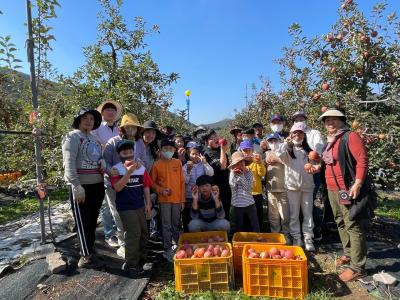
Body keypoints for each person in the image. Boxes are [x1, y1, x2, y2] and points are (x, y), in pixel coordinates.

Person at [319, 108, 369, 282]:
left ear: (342, 120)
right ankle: (349, 254)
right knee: (340, 221)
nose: (330, 123)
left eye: (333, 119)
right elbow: (328, 164)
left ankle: (357, 267)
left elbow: (362, 160)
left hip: (346, 188)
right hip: (333, 189)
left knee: (352, 224)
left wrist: (358, 182)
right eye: (327, 121)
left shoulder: (350, 136)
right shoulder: (330, 141)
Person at [62, 108, 105, 268]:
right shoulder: (72, 137)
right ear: (79, 120)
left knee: (92, 221)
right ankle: (85, 257)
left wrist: (103, 163)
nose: (89, 121)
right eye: (85, 118)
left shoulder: (94, 138)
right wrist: (75, 185)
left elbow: (98, 158)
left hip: (97, 185)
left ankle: (90, 250)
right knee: (82, 221)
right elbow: (69, 162)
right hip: (82, 186)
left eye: (92, 119)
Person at [103, 113, 145, 258]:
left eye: (134, 127)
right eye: (128, 127)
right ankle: (123, 244)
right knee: (118, 214)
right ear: (122, 128)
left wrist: (140, 164)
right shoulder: (113, 142)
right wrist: (110, 170)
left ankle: (134, 244)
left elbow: (143, 161)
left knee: (134, 215)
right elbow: (104, 161)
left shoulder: (139, 143)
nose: (131, 130)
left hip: (134, 185)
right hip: (115, 184)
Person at [110, 140, 152, 277]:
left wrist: (148, 203)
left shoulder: (141, 168)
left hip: (140, 205)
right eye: (124, 152)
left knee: (144, 232)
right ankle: (131, 264)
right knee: (133, 233)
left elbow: (146, 186)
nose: (128, 155)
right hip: (126, 207)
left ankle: (142, 258)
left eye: (130, 152)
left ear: (134, 152)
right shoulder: (116, 169)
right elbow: (117, 187)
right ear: (119, 154)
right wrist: (128, 173)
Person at [275, 123, 318, 252]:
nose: (297, 135)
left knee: (307, 213)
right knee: (294, 214)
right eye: (295, 133)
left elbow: (316, 164)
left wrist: (315, 168)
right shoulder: (287, 150)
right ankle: (296, 238)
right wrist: (286, 143)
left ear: (304, 135)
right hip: (292, 186)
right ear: (291, 135)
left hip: (307, 186)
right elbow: (278, 154)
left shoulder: (309, 150)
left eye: (300, 133)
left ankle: (308, 238)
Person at [92, 100, 123, 248]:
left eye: (113, 110)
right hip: (102, 169)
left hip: (119, 171)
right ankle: (109, 234)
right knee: (106, 204)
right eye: (107, 110)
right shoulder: (97, 128)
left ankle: (119, 233)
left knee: (117, 204)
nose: (110, 112)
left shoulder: (119, 129)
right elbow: (94, 146)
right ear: (102, 113)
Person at [292, 111, 325, 241]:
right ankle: (300, 232)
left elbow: (318, 150)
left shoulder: (314, 133)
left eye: (301, 118)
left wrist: (316, 163)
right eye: (296, 119)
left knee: (309, 202)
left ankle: (315, 231)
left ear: (306, 119)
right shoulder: (293, 134)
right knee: (298, 204)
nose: (299, 120)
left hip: (313, 171)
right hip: (297, 173)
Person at [151, 139, 185, 263]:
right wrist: (160, 191)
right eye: (166, 149)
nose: (168, 151)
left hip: (177, 199)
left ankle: (177, 244)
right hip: (164, 200)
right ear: (161, 151)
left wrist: (182, 200)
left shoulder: (178, 162)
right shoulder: (156, 164)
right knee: (165, 224)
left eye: (171, 149)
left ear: (174, 150)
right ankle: (167, 248)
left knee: (176, 223)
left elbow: (182, 182)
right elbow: (152, 183)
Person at [265, 132, 291, 243]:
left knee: (285, 214)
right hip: (271, 189)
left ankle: (286, 235)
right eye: (270, 141)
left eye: (275, 141)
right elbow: (263, 163)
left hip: (283, 188)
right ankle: (275, 235)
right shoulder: (266, 153)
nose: (273, 143)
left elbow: (289, 163)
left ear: (279, 141)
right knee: (273, 215)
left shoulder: (284, 152)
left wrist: (277, 158)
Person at [182, 142, 214, 232]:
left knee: (201, 216)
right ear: (189, 154)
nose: (195, 156)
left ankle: (202, 235)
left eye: (197, 154)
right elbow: (184, 181)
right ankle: (188, 236)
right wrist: (188, 171)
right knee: (189, 217)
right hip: (189, 196)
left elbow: (211, 173)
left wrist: (205, 163)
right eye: (193, 154)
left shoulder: (203, 165)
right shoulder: (185, 166)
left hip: (201, 195)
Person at [201, 129, 232, 220]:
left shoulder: (220, 150)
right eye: (212, 138)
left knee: (226, 210)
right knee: (217, 213)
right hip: (215, 188)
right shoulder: (208, 153)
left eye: (216, 136)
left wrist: (222, 149)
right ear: (206, 142)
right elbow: (222, 167)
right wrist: (223, 149)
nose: (215, 139)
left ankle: (225, 232)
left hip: (225, 186)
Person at [229, 151, 260, 232]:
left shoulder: (249, 173)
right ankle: (239, 241)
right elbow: (233, 186)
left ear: (244, 162)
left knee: (255, 225)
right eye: (236, 163)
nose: (239, 165)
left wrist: (242, 176)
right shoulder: (232, 173)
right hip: (237, 204)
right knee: (239, 226)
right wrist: (235, 175)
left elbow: (248, 188)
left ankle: (258, 240)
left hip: (249, 203)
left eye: (241, 162)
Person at [239, 140, 266, 231]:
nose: (247, 153)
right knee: (246, 218)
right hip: (245, 195)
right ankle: (247, 237)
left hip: (256, 194)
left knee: (258, 217)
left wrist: (259, 163)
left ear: (252, 150)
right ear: (241, 151)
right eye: (244, 151)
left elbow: (262, 173)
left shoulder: (256, 161)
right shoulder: (239, 163)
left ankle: (258, 236)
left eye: (248, 150)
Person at [142, 120, 162, 239]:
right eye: (148, 132)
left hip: (147, 184)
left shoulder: (151, 149)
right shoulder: (135, 145)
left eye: (153, 133)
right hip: (135, 185)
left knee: (147, 212)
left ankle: (146, 240)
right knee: (142, 214)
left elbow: (152, 169)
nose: (151, 135)